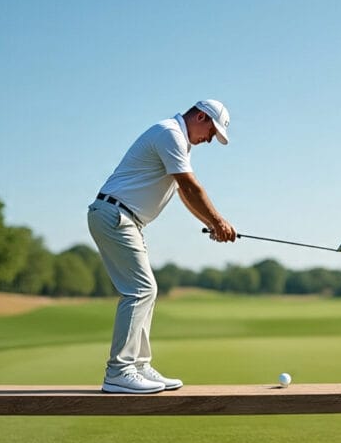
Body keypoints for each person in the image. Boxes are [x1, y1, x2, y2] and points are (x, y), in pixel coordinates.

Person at [88, 100, 237, 394]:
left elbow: (183, 192)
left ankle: (139, 365)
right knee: (140, 290)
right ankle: (119, 371)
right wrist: (218, 221)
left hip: (124, 218)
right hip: (115, 215)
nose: (209, 140)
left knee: (147, 290)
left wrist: (211, 223)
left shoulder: (179, 141)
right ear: (201, 116)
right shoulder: (169, 133)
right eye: (211, 132)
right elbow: (191, 186)